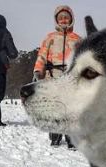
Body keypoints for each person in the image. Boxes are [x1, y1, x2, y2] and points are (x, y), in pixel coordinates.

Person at [33, 5, 81, 148]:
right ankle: (55, 135)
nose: (64, 20)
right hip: (52, 76)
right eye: (61, 18)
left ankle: (71, 138)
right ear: (56, 20)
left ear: (71, 19)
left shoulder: (78, 39)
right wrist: (38, 70)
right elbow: (42, 55)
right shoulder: (50, 38)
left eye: (66, 17)